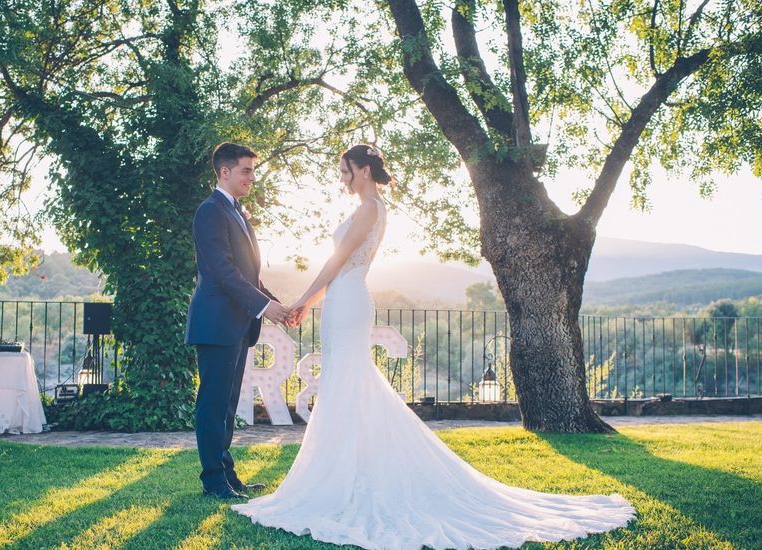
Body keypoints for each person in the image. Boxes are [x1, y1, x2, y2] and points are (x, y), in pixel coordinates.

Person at [231, 144, 635, 549]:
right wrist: (310, 303)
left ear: (365, 170)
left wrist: (301, 299)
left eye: (346, 171)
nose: (342, 178)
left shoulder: (371, 207)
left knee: (349, 383)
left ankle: (346, 479)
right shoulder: (366, 207)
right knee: (346, 385)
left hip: (349, 301)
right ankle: (348, 470)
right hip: (341, 300)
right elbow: (337, 268)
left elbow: (338, 261)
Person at [185, 142, 291, 500]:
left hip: (237, 324)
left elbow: (248, 273)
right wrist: (263, 306)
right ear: (225, 172)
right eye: (246, 170)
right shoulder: (209, 211)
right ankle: (213, 480)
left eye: (252, 170)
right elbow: (222, 271)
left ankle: (228, 476)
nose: (252, 177)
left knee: (228, 404)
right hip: (215, 323)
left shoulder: (237, 212)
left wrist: (275, 305)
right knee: (213, 404)